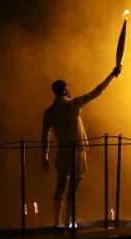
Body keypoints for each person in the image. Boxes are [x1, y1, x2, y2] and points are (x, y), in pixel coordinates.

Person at [41, 65, 121, 227]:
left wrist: (45, 155)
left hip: (62, 151)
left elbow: (45, 136)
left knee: (61, 186)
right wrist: (112, 74)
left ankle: (58, 222)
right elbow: (97, 91)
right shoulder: (73, 104)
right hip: (77, 152)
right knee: (73, 189)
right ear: (65, 90)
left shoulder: (49, 111)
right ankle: (69, 220)